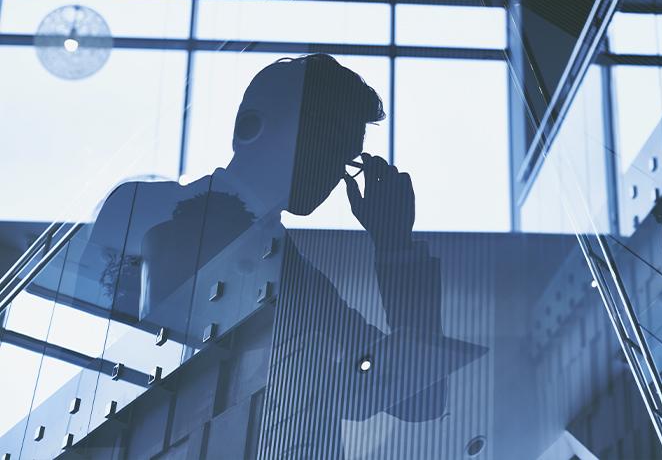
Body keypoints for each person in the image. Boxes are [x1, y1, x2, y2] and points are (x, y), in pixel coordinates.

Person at [80, 54, 484, 458]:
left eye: (346, 158)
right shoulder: (144, 208)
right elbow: (110, 344)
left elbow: (421, 398)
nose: (335, 172)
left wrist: (394, 246)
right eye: (326, 144)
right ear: (250, 129)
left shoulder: (299, 277)